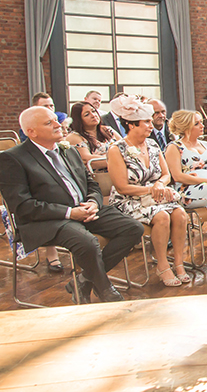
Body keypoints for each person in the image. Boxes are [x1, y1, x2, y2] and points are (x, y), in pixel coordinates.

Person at [0, 106, 143, 303]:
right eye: (48, 123)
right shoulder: (13, 158)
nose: (58, 125)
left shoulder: (68, 150)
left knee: (133, 228)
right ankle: (106, 290)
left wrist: (93, 202)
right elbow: (22, 206)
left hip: (84, 210)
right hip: (48, 219)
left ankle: (84, 280)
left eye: (55, 120)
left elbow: (91, 184)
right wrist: (69, 213)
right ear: (31, 132)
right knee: (87, 242)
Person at [106, 95, 189, 288]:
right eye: (146, 122)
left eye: (151, 121)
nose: (151, 125)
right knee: (162, 217)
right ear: (131, 125)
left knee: (180, 214)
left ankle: (178, 262)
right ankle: (162, 265)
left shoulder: (152, 145)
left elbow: (166, 174)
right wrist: (151, 189)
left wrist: (160, 185)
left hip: (156, 196)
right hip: (129, 200)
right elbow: (122, 187)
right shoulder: (116, 149)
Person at [18, 92, 69, 272]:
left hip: (59, 165)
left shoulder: (59, 125)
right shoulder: (29, 129)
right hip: (39, 176)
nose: (50, 109)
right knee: (48, 191)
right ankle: (52, 253)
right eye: (45, 106)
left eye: (51, 106)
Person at [66, 101, 121, 170]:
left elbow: (126, 148)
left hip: (119, 170)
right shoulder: (74, 137)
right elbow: (89, 161)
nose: (93, 115)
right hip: (98, 176)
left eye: (94, 111)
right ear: (79, 120)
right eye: (87, 115)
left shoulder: (108, 130)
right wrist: (119, 159)